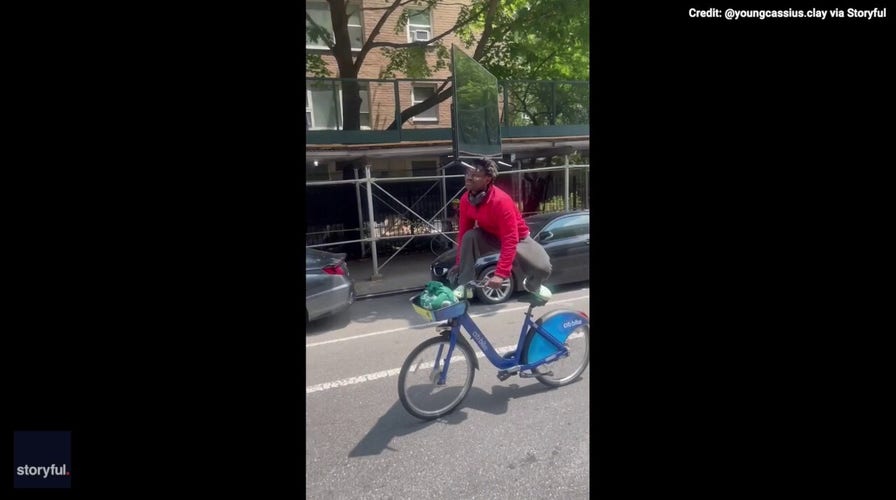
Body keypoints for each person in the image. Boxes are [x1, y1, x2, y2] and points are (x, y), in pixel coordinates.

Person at [448, 157, 553, 301]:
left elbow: (510, 239)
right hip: (490, 236)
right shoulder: (466, 200)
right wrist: (459, 264)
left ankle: (533, 285)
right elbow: (463, 232)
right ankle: (465, 285)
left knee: (543, 268)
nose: (469, 178)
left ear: (488, 179)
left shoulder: (501, 202)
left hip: (518, 239)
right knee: (469, 236)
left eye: (475, 175)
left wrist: (500, 274)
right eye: (468, 174)